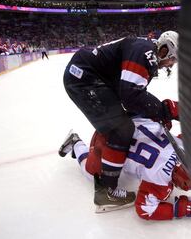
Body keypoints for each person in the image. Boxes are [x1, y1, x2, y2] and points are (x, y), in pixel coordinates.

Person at [62, 31, 180, 210]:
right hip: (85, 79)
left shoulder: (146, 50)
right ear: (165, 50)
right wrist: (163, 111)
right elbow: (130, 95)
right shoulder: (146, 53)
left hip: (92, 77)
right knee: (121, 130)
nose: (171, 64)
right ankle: (106, 192)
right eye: (173, 59)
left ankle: (76, 144)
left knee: (123, 124)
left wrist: (155, 112)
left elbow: (132, 99)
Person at [58, 117, 191, 218]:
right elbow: (144, 209)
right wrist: (184, 208)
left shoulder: (181, 145)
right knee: (91, 174)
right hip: (105, 144)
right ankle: (76, 144)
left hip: (117, 123)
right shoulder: (160, 182)